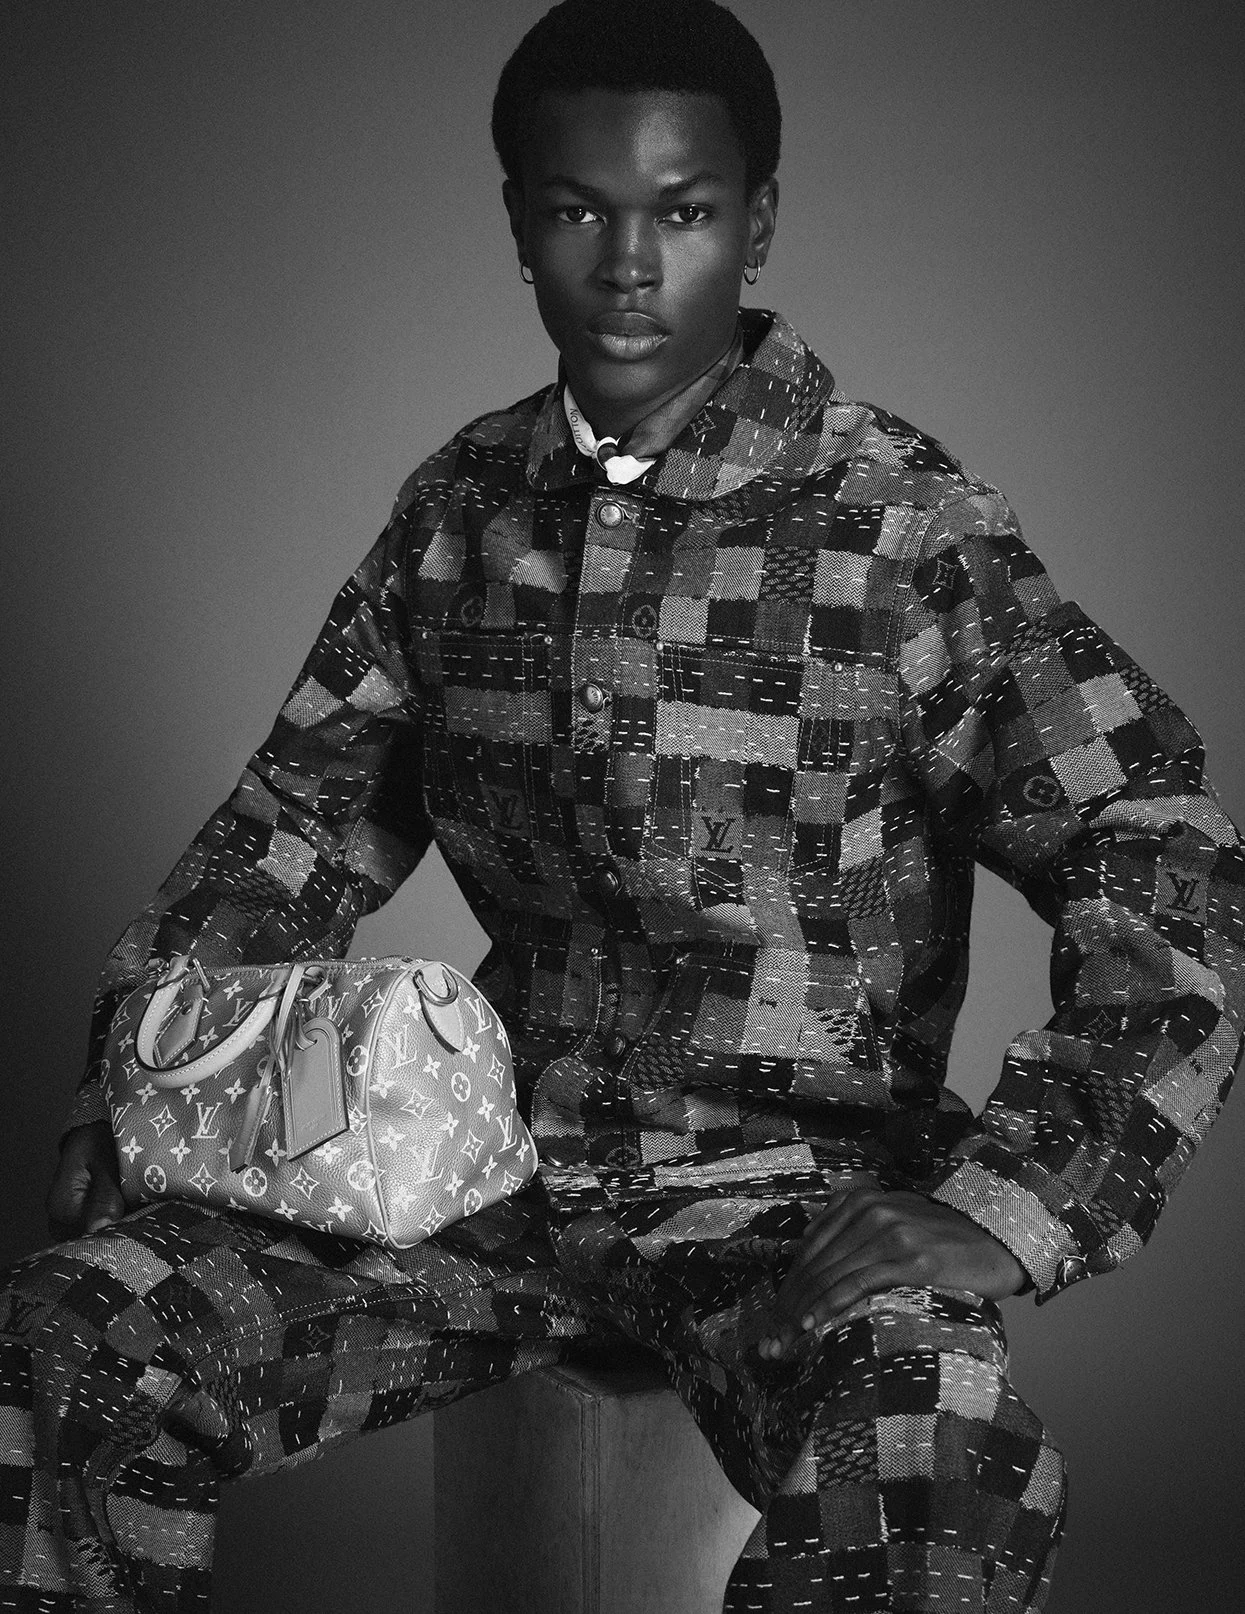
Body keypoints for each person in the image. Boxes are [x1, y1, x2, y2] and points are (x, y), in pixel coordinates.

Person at [3, 1, 1241, 1609]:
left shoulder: (899, 526)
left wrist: (1023, 1201)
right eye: (582, 210)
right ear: (521, 225)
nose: (632, 265)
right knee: (67, 1343)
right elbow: (293, 828)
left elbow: (1158, 841)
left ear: (760, 219)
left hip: (787, 1206)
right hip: (487, 1178)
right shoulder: (463, 510)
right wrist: (139, 1071)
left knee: (940, 1464)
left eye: (685, 211)